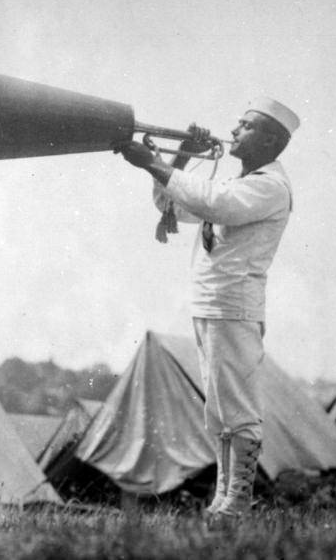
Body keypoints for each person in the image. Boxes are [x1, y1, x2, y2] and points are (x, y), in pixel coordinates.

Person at [116, 97, 299, 521]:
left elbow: (214, 202)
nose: (234, 130)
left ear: (270, 140)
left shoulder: (270, 185)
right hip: (212, 304)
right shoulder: (241, 182)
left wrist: (153, 162)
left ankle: (238, 501)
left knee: (237, 407)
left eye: (246, 125)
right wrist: (179, 156)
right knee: (218, 411)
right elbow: (172, 204)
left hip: (233, 306)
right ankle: (224, 499)